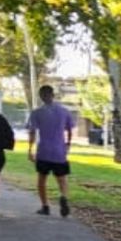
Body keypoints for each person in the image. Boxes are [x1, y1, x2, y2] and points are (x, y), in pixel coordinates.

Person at [27, 84, 74, 217]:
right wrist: (68, 145)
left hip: (43, 151)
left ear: (41, 96)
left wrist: (30, 149)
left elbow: (32, 132)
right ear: (53, 95)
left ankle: (45, 206)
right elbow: (70, 130)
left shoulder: (36, 113)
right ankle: (63, 196)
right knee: (62, 179)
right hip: (59, 151)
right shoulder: (64, 111)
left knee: (41, 180)